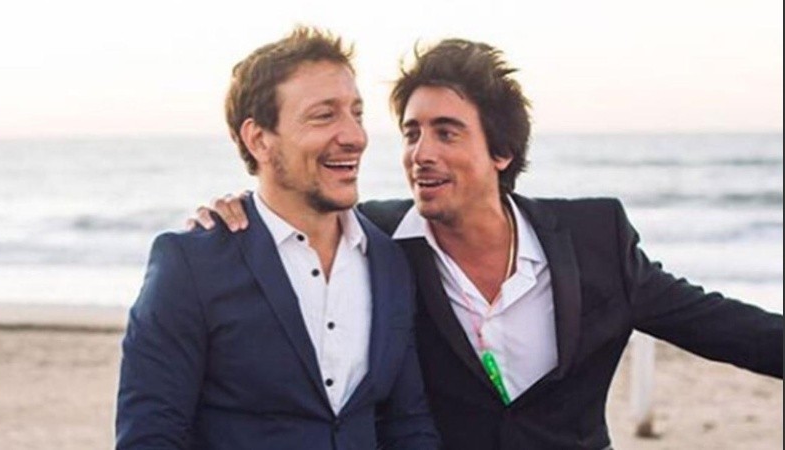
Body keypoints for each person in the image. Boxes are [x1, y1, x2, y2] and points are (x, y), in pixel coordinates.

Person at [192, 38, 783, 449]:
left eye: (446, 133)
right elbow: (288, 219)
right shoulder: (373, 242)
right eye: (412, 134)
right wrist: (234, 212)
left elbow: (726, 327)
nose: (421, 154)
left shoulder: (595, 239)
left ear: (500, 152)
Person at [116, 27, 439, 450]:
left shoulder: (389, 259)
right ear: (259, 140)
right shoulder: (192, 265)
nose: (355, 136)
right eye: (324, 115)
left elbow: (408, 425)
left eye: (356, 113)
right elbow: (150, 437)